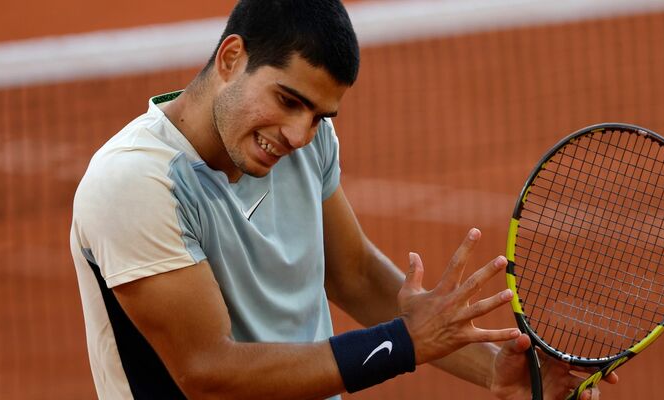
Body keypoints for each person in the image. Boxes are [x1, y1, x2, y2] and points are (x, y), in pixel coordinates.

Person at [70, 1, 617, 399]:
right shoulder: (137, 184)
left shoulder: (304, 146)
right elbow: (209, 372)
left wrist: (500, 369)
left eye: (320, 116)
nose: (298, 134)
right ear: (232, 58)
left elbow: (352, 273)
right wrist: (403, 343)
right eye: (288, 100)